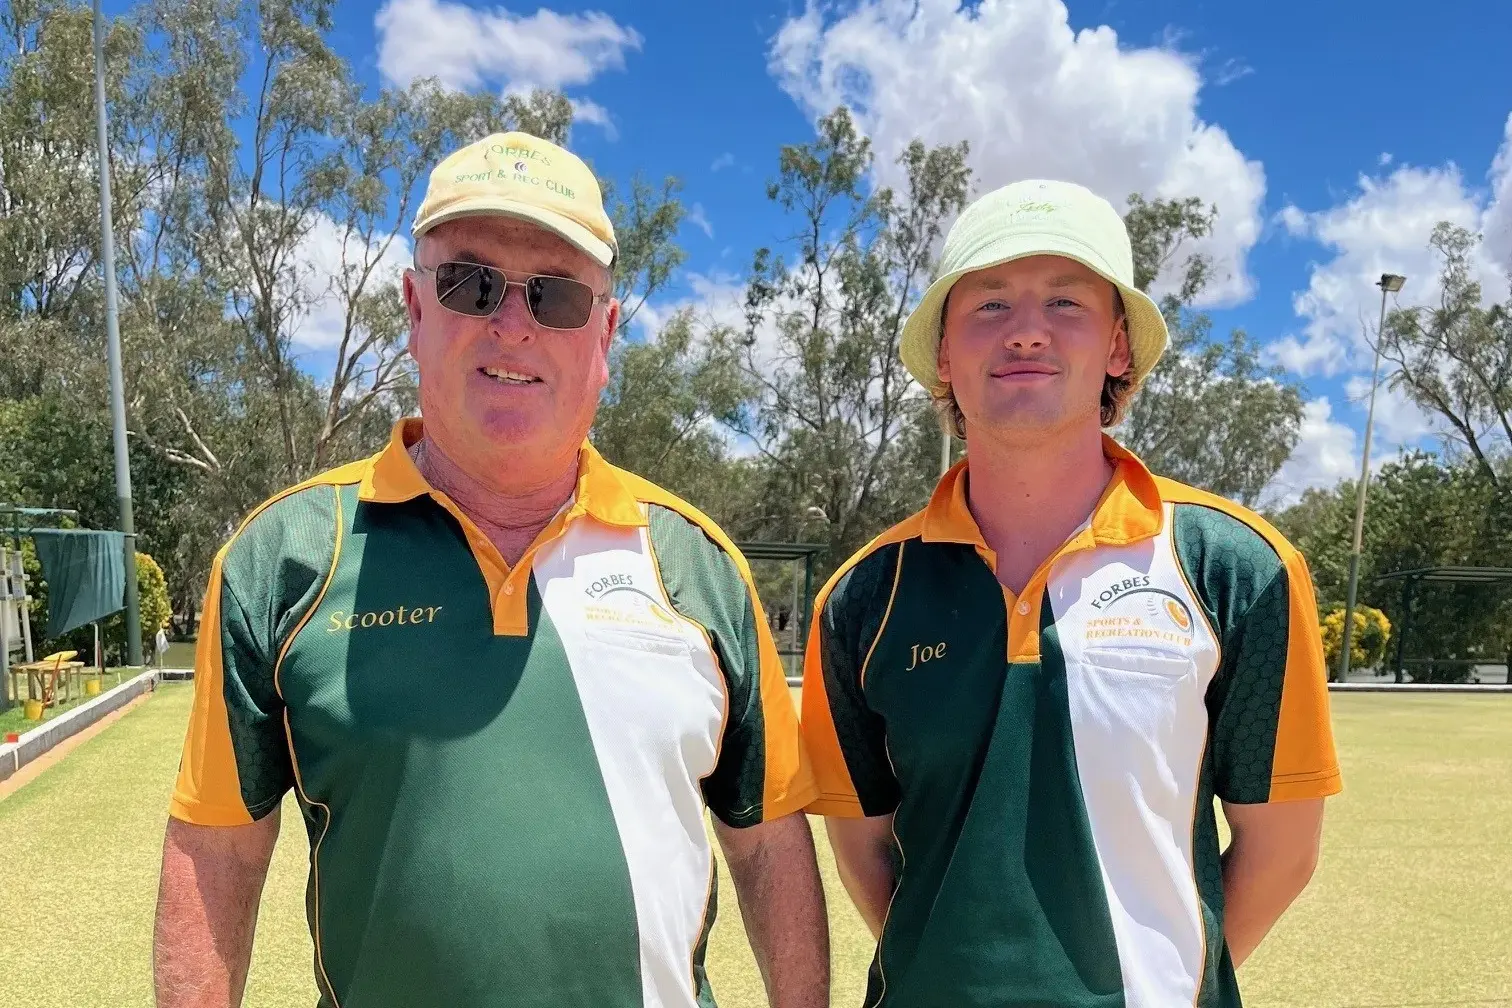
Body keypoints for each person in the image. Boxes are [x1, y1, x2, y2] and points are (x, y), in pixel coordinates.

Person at [154, 131, 828, 1008]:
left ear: (605, 334)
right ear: (414, 308)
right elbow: (217, 852)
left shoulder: (698, 565)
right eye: (471, 283)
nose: (512, 323)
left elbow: (770, 844)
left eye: (555, 296)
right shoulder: (282, 560)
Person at [800, 180, 1340, 1007]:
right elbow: (865, 854)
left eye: (1065, 301)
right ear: (943, 354)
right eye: (987, 305)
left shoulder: (1238, 568)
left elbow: (1282, 854)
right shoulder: (862, 595)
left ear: (1118, 346)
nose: (1025, 331)